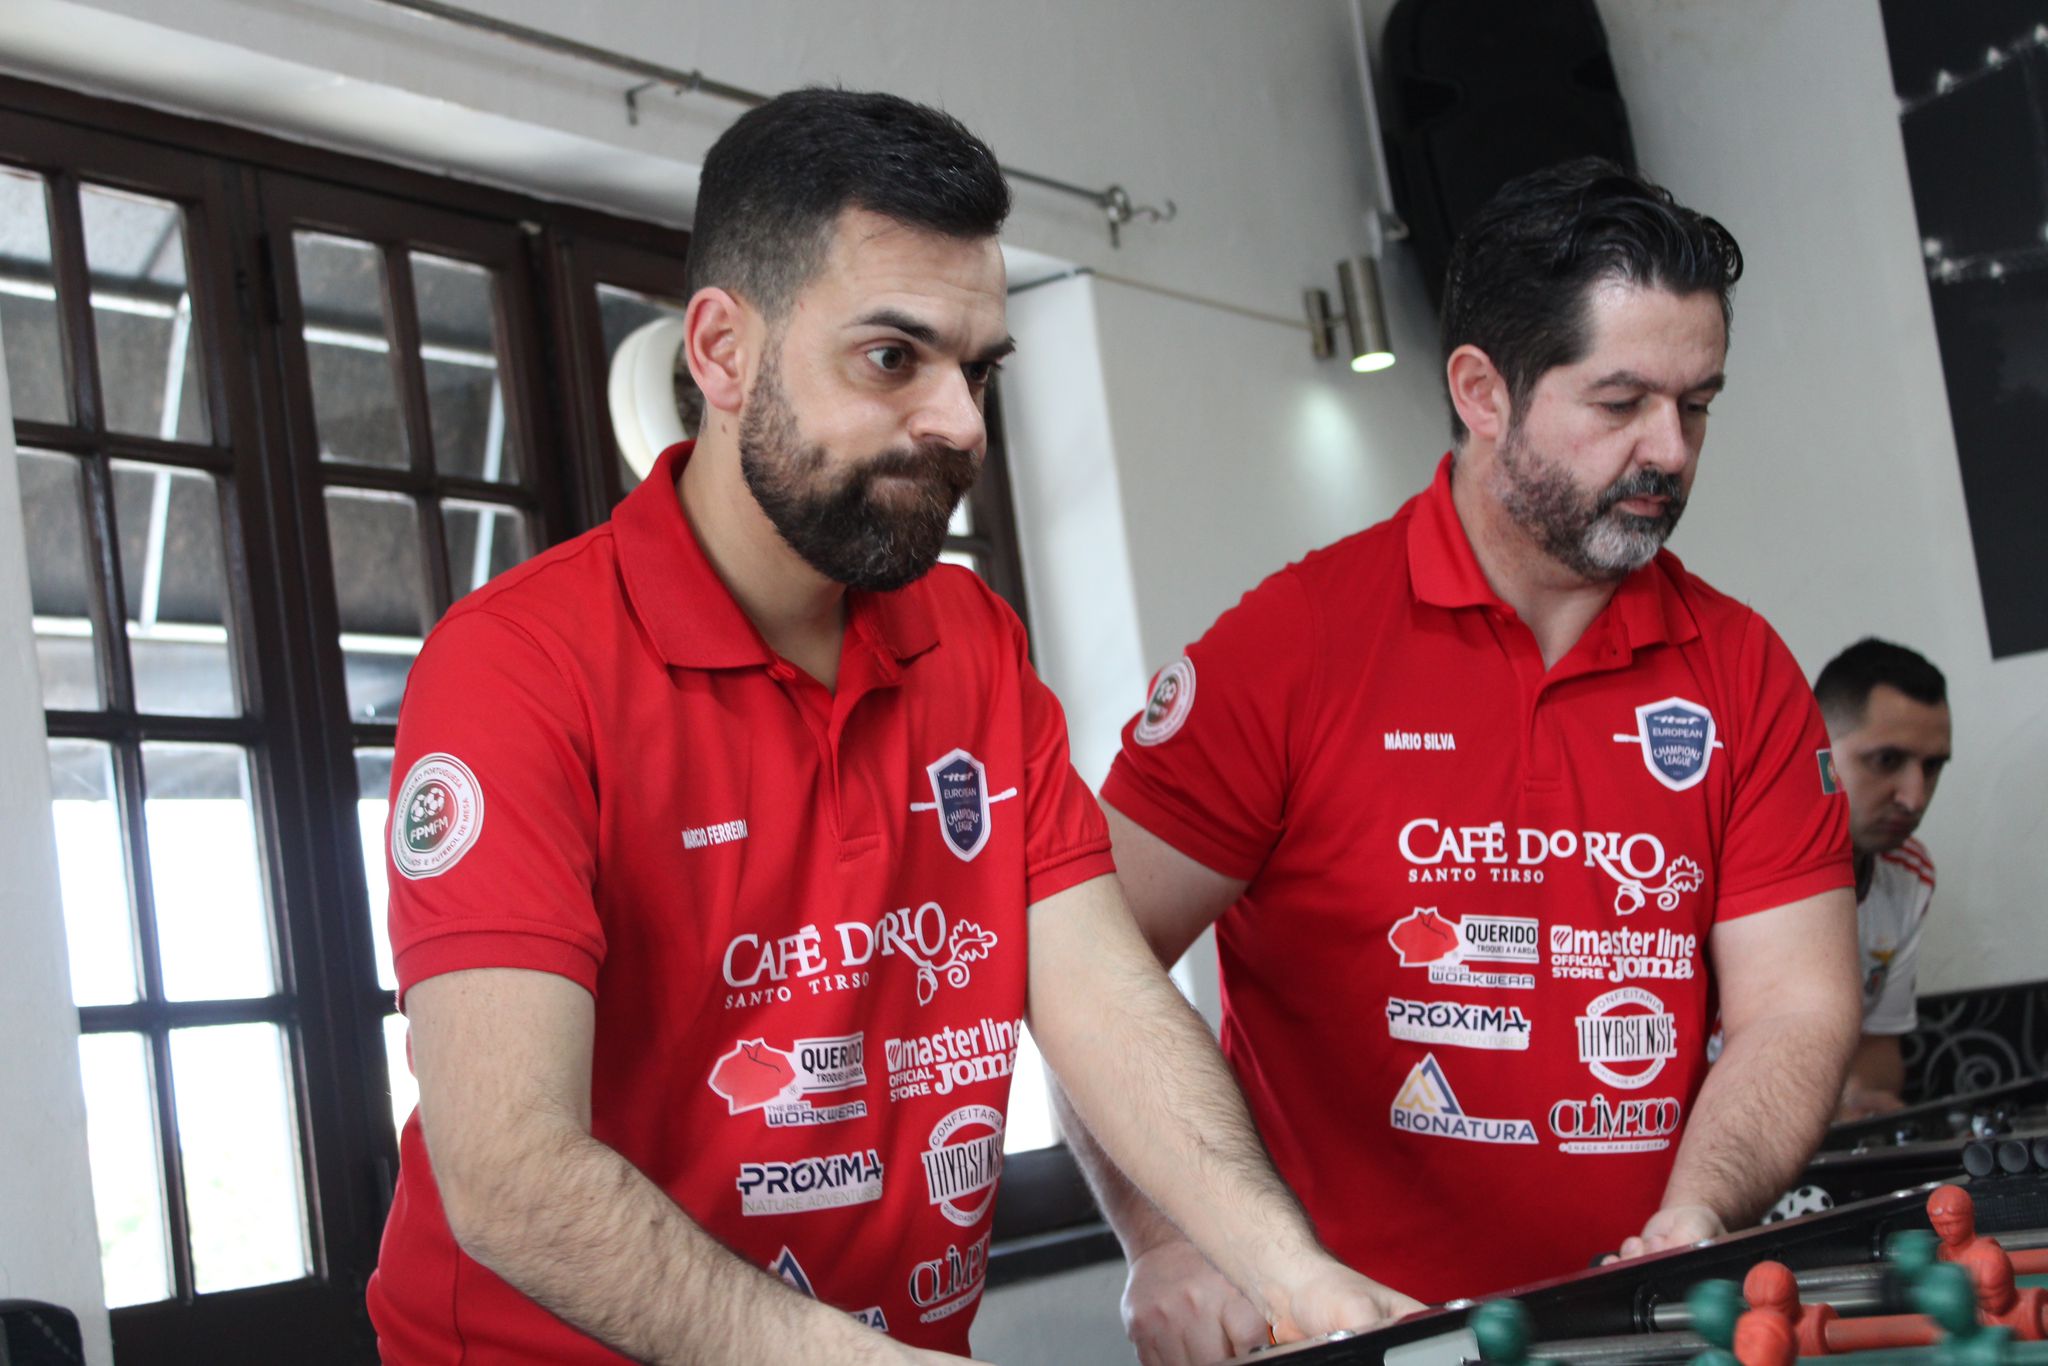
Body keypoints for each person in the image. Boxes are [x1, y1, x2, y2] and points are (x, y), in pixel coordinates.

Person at [364, 88, 1416, 1365]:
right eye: (890, 358)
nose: (961, 422)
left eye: (978, 369)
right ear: (721, 352)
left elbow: (1098, 992)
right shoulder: (518, 667)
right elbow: (510, 1174)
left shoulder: (972, 639)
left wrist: (1291, 1271)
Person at [1065, 157, 1863, 1365]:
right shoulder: (1291, 647)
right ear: (1482, 392)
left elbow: (1794, 1004)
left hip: (1639, 1332)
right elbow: (1081, 964)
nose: (1668, 450)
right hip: (1343, 1337)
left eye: (1694, 404)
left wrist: (1695, 1213)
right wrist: (1167, 1239)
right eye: (1619, 403)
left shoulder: (1741, 671)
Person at [1814, 638, 1951, 1120]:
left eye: (1932, 767)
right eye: (1886, 761)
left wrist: (1854, 1098)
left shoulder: (1909, 873)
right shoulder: (1715, 868)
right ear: (1816, 750)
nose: (1915, 798)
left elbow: (1876, 1049)